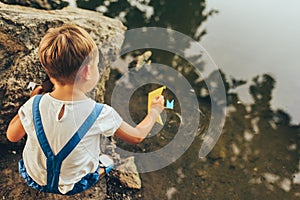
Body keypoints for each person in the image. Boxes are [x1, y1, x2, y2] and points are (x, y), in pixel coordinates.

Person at [6, 24, 165, 195]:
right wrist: (154, 111)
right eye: (96, 65)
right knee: (108, 160)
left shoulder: (34, 104)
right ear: (88, 71)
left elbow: (12, 136)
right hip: (73, 185)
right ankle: (103, 166)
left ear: (48, 70)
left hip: (33, 178)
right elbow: (137, 136)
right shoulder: (101, 113)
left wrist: (31, 102)